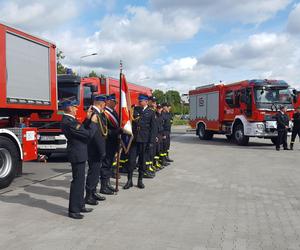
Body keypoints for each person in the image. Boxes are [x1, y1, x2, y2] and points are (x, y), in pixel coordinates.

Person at [61, 99, 97, 219]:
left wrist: (87, 119)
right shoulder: (69, 122)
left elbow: (82, 130)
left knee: (80, 182)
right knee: (77, 182)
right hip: (77, 154)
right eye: (75, 107)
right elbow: (87, 134)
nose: (76, 109)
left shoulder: (71, 120)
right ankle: (74, 210)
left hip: (79, 153)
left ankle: (80, 205)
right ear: (70, 108)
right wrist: (93, 123)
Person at [123, 94, 156, 189]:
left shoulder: (151, 112)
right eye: (139, 100)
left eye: (141, 101)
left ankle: (140, 180)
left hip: (144, 140)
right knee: (131, 161)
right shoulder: (135, 109)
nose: (139, 102)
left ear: (146, 101)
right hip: (134, 140)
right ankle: (129, 181)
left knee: (142, 161)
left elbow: (153, 129)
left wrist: (151, 142)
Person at [84, 94, 107, 205]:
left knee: (96, 172)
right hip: (94, 149)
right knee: (93, 172)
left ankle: (93, 192)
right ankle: (88, 195)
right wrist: (101, 150)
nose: (105, 106)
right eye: (104, 104)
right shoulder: (95, 114)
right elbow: (95, 135)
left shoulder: (97, 114)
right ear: (101, 103)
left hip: (96, 149)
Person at [101, 94, 120, 194]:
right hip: (107, 143)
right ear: (108, 101)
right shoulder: (104, 113)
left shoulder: (114, 112)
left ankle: (107, 183)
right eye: (114, 101)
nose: (115, 103)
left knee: (110, 164)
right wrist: (117, 131)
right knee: (106, 164)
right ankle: (103, 186)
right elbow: (104, 130)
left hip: (114, 142)